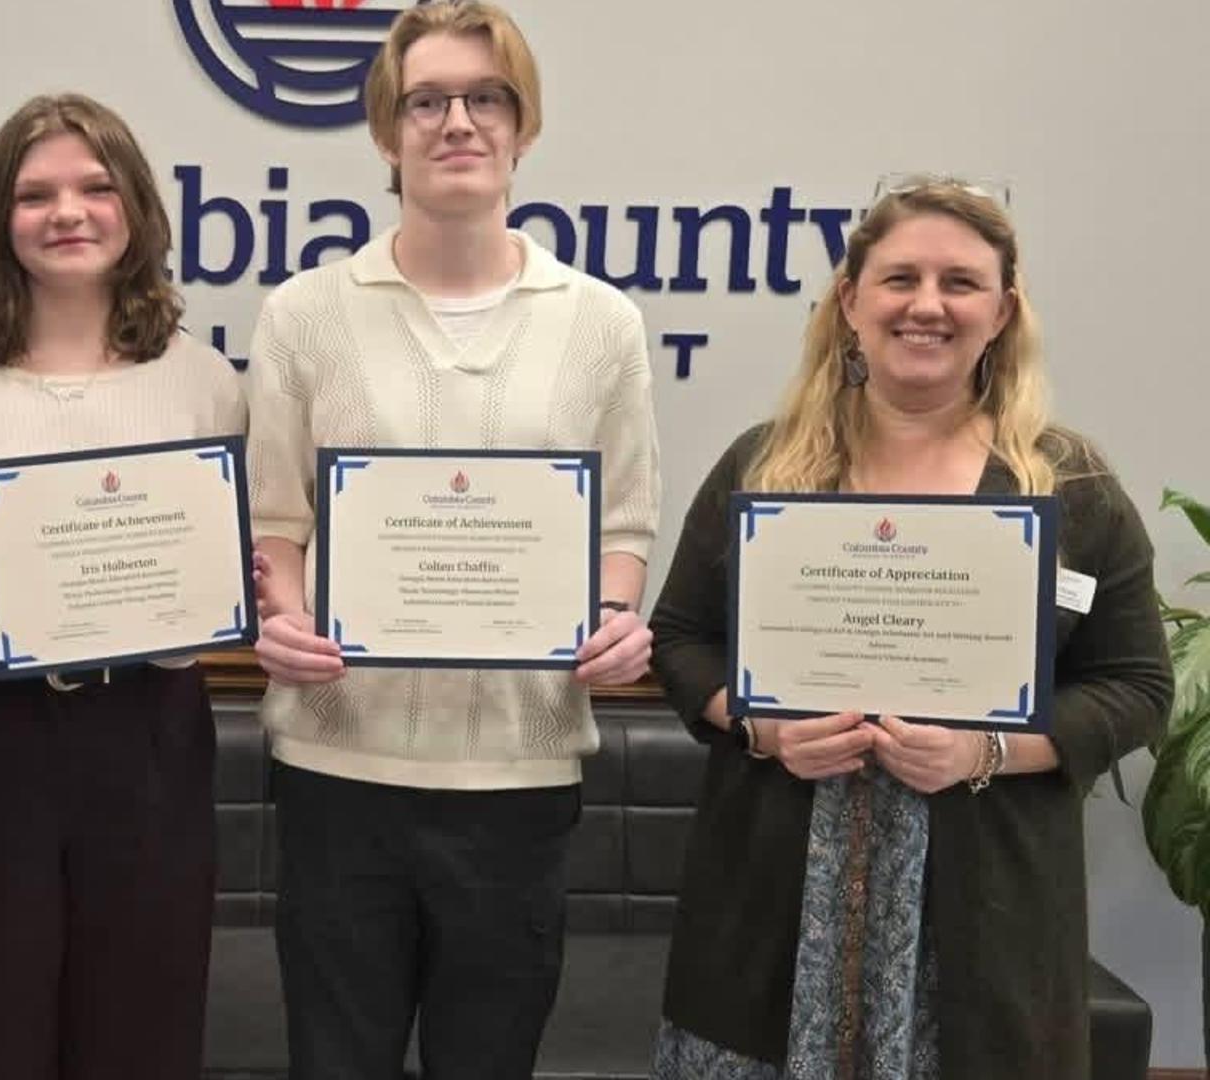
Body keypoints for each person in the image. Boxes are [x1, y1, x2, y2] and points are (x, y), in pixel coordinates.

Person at [648, 179, 1173, 1079]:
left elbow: (1136, 687)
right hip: (772, 895)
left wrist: (990, 752)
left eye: (960, 283)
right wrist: (760, 725)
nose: (926, 305)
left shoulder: (1069, 487)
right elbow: (680, 638)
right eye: (899, 278)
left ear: (1003, 311)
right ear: (850, 301)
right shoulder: (764, 465)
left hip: (987, 914)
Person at [243, 3, 661, 1076]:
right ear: (387, 132)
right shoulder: (304, 313)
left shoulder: (600, 322)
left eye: (486, 98)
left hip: (517, 776)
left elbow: (621, 525)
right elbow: (276, 524)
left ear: (524, 127)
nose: (457, 122)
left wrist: (614, 621)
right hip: (340, 765)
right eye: (426, 100)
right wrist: (281, 622)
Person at [0, 93, 245, 1080]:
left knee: (144, 1013)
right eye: (36, 193)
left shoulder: (203, 378)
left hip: (152, 731)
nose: (68, 212)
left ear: (134, 207)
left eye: (95, 187)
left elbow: (225, 554)